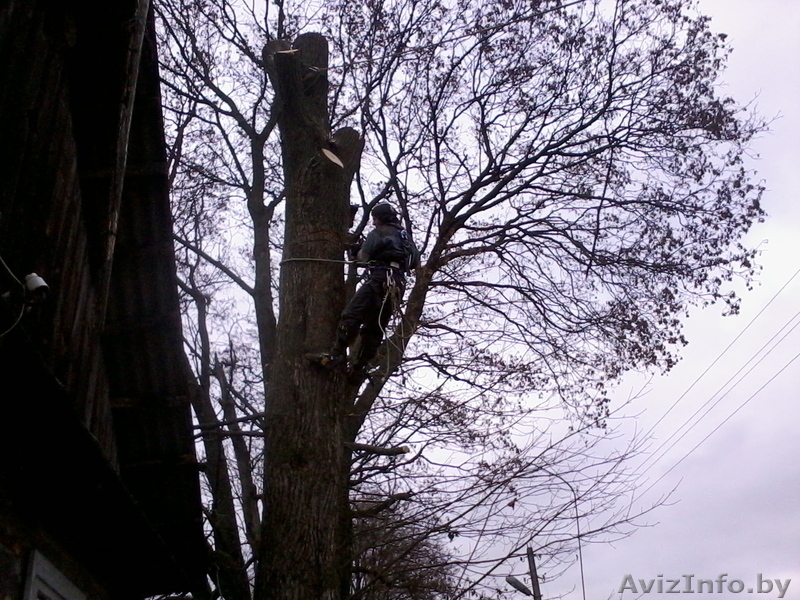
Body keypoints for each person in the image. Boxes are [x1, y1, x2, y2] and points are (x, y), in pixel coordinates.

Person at [309, 203, 420, 376]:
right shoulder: (406, 238)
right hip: (398, 285)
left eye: (375, 219)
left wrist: (356, 251)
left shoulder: (379, 232)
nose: (374, 223)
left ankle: (334, 355)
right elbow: (414, 262)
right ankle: (359, 368)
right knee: (375, 328)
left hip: (380, 279)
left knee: (352, 314)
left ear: (381, 218)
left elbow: (363, 257)